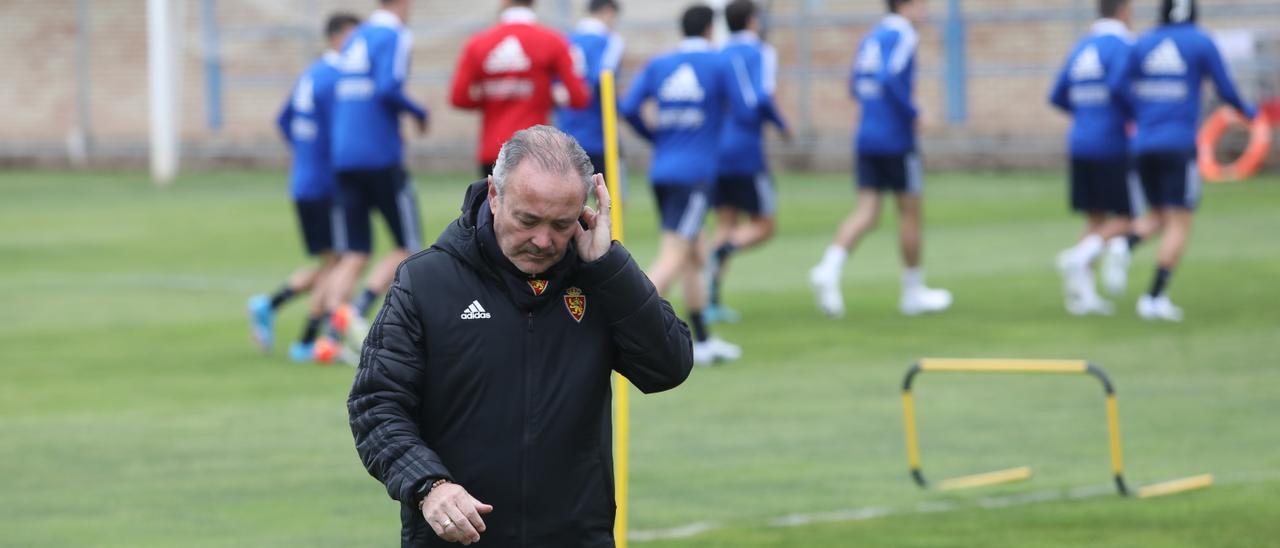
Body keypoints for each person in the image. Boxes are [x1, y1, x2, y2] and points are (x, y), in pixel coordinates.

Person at [348, 125, 693, 547]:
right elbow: (375, 405)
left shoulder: (601, 282)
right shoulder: (426, 281)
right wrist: (429, 485)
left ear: (586, 214)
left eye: (561, 224)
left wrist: (610, 267)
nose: (543, 240)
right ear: (495, 196)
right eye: (527, 220)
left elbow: (668, 367)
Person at [808, 0, 952, 319]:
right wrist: (914, 113)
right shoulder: (904, 35)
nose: (926, 11)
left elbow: (854, 84)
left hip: (867, 134)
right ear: (906, 6)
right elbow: (889, 79)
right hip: (895, 139)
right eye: (922, 4)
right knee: (910, 211)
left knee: (867, 211)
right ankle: (913, 291)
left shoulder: (871, 36)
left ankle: (828, 269)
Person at [621, 4, 747, 365]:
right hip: (694, 177)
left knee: (695, 254)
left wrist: (657, 136)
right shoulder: (719, 64)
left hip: (662, 171)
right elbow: (742, 108)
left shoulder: (660, 64)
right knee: (675, 254)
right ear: (711, 29)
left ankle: (702, 341)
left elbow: (629, 107)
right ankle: (623, 321)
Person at [1119, 0, 1255, 321]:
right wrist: (1251, 114)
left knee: (1159, 215)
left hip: (1143, 144)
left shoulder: (1144, 41)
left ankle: (1122, 245)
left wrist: (1140, 110)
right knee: (1179, 221)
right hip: (1178, 145)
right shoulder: (1200, 40)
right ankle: (1153, 297)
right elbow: (1226, 89)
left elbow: (1117, 83)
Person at [248, 12, 360, 361]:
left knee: (334, 261)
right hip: (326, 184)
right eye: (355, 38)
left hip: (304, 181)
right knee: (342, 262)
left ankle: (274, 308)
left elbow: (284, 121)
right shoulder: (338, 79)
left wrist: (306, 155)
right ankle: (306, 339)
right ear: (339, 37)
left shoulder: (311, 74)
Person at [321, 0, 429, 361]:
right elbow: (386, 88)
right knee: (408, 246)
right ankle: (358, 312)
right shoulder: (394, 34)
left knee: (354, 252)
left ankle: (330, 336)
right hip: (379, 155)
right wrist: (419, 111)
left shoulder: (356, 36)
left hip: (344, 155)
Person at [1047, 0, 1139, 316]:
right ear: (1124, 11)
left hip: (1080, 140)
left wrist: (1087, 113)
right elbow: (1121, 86)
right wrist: (1132, 113)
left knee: (1095, 219)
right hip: (1111, 143)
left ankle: (1082, 296)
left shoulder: (1081, 46)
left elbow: (1057, 94)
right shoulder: (1123, 45)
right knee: (1126, 219)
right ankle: (1077, 256)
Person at [705, 0, 790, 324]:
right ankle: (720, 252)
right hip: (745, 152)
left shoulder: (718, 54)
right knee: (765, 225)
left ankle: (712, 300)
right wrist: (783, 126)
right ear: (753, 21)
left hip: (716, 152)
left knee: (725, 223)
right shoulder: (762, 52)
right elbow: (761, 97)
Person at [450, 0, 590, 178]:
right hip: (535, 151)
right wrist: (546, 96)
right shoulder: (553, 41)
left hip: (493, 149)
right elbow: (579, 97)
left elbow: (458, 97)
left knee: (494, 204)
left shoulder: (478, 43)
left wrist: (493, 95)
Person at [556, 0, 625, 188]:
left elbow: (554, 85)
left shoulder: (565, 40)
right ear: (608, 11)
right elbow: (603, 78)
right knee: (611, 200)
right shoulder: (609, 41)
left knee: (570, 204)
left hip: (567, 133)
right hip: (601, 133)